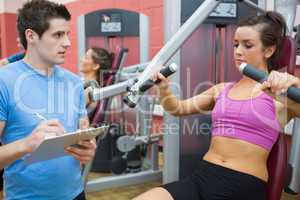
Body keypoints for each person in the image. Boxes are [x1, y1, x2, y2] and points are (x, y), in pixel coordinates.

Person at [133, 11, 300, 200]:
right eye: (236, 44)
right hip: (202, 178)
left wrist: (294, 83)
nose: (238, 51)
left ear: (268, 50)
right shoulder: (222, 90)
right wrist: (163, 88)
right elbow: (177, 109)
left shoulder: (280, 95)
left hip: (242, 186)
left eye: (247, 45)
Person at [0, 0, 96, 199]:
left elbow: (82, 132)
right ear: (31, 36)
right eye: (58, 35)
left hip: (75, 194)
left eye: (67, 34)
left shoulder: (74, 82)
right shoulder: (4, 81)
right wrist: (26, 144)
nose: (67, 43)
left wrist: (87, 148)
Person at [79, 47, 113, 120]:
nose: (81, 60)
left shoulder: (91, 90)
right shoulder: (85, 85)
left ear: (95, 66)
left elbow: (69, 112)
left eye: (86, 57)